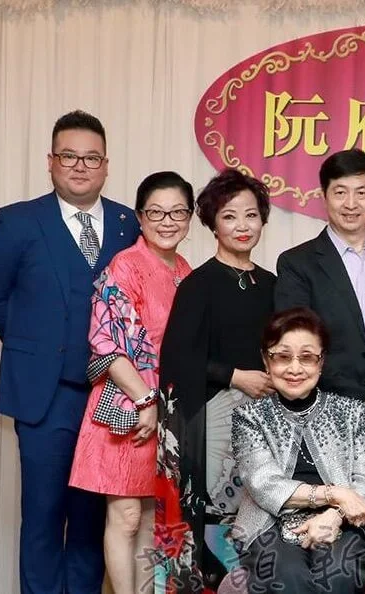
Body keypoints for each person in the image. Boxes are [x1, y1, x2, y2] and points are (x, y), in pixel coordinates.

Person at [0, 110, 139, 594]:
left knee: (91, 520)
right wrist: (35, 346)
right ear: (50, 161)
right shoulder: (18, 220)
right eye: (69, 156)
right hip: (45, 398)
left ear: (106, 165)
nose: (80, 166)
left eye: (91, 158)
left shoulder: (127, 223)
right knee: (43, 517)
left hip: (108, 397)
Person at [274, 148, 365, 571]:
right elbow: (297, 347)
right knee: (325, 517)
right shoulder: (297, 263)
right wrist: (360, 395)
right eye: (340, 192)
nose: (351, 203)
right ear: (324, 196)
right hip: (321, 415)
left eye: (361, 192)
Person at [66, 171, 192, 593]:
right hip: (127, 405)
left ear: (190, 217)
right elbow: (106, 343)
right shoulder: (126, 265)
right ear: (139, 217)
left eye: (177, 212)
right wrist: (145, 401)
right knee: (126, 516)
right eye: (156, 212)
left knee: (153, 517)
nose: (167, 221)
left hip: (165, 411)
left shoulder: (185, 270)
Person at [157, 168, 276, 591]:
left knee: (258, 522)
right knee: (209, 527)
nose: (242, 225)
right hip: (209, 425)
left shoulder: (273, 285)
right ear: (212, 223)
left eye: (251, 215)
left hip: (265, 423)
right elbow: (176, 359)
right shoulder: (198, 285)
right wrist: (235, 377)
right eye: (229, 216)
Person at [232, 307, 365, 593]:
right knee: (287, 576)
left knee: (336, 575)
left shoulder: (353, 413)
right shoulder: (249, 417)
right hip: (268, 525)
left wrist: (335, 515)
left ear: (321, 361)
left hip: (343, 524)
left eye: (307, 357)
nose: (295, 368)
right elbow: (264, 483)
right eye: (282, 356)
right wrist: (336, 494)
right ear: (266, 360)